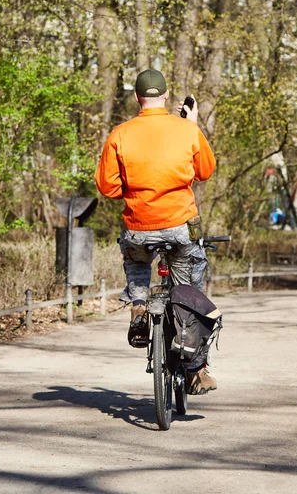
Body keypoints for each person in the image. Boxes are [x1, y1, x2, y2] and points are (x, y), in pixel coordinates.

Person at [95, 68, 217, 394]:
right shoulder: (186, 130)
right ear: (165, 96)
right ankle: (196, 369)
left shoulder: (120, 133)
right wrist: (192, 123)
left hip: (138, 226)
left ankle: (138, 307)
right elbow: (205, 171)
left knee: (136, 262)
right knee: (189, 287)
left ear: (137, 98)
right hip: (179, 227)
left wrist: (137, 188)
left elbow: (106, 187)